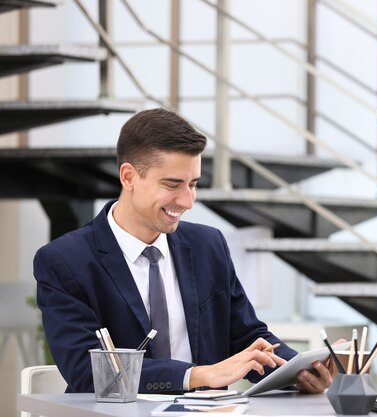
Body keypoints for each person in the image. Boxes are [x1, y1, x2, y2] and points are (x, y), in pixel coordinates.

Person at [33, 108, 336, 394]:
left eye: (193, 184)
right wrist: (196, 375)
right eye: (172, 184)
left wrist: (300, 371)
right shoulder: (64, 261)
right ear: (128, 177)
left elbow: (245, 337)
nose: (188, 201)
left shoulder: (209, 245)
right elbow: (87, 372)